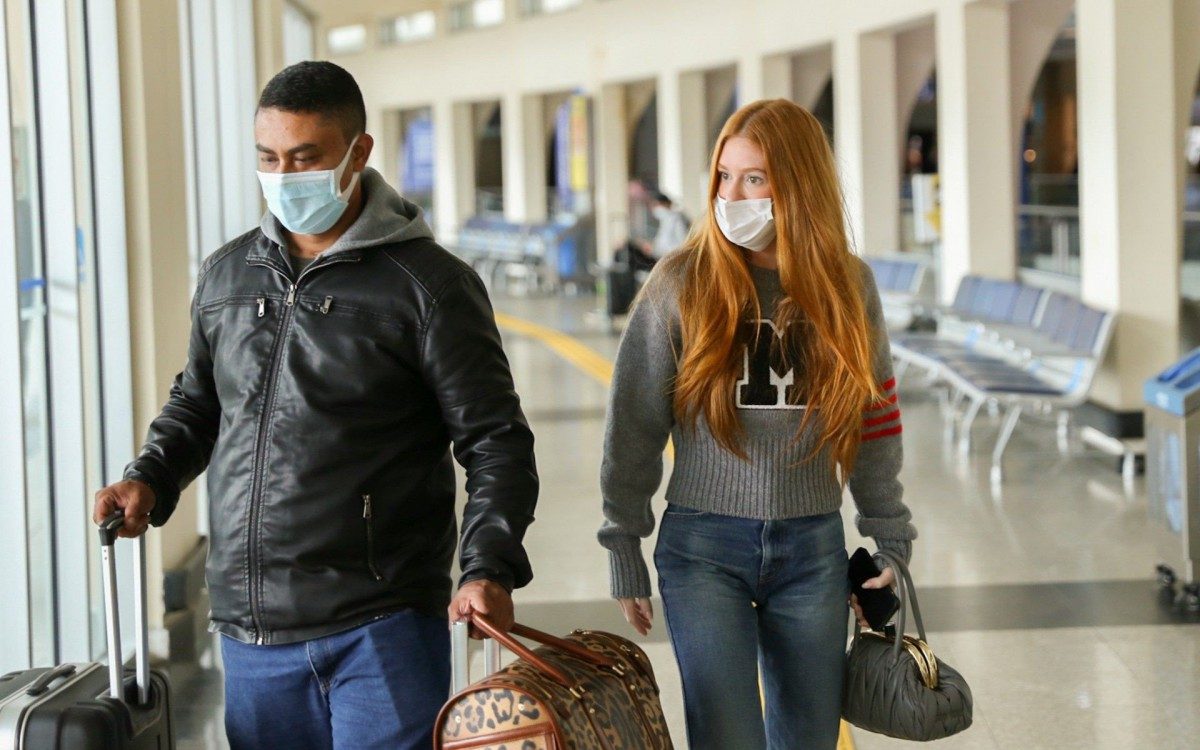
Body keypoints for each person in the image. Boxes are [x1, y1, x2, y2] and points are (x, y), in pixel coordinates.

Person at [91, 61, 539, 750]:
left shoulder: (429, 287)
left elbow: (495, 440)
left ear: (358, 152)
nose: (284, 176)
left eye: (306, 158)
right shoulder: (226, 275)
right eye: (268, 158)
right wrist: (148, 476)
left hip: (380, 624)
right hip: (250, 631)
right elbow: (199, 405)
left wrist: (488, 567)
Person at [598, 99, 916, 750]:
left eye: (755, 179)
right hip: (702, 549)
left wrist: (889, 538)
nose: (732, 195)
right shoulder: (680, 281)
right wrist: (624, 542)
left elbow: (873, 418)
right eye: (724, 176)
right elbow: (633, 421)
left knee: (807, 738)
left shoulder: (847, 287)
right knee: (727, 737)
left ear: (799, 185)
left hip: (812, 549)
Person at [642, 191, 691, 261]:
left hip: (671, 257)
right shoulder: (666, 220)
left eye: (657, 205)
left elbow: (683, 242)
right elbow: (662, 241)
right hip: (661, 256)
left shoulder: (676, 218)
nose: (655, 209)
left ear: (665, 204)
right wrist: (652, 247)